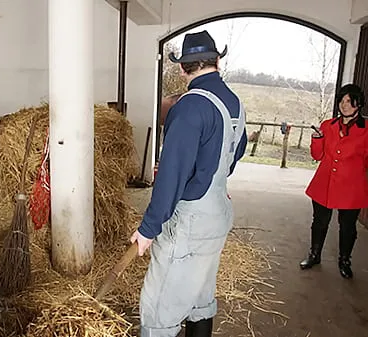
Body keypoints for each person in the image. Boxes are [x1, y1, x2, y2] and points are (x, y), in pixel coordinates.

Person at [129, 31, 248, 337]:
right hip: (218, 212)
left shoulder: (188, 106)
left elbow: (172, 174)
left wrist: (149, 228)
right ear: (217, 61)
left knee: (158, 310)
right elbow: (233, 154)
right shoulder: (234, 103)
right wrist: (211, 176)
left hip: (190, 223)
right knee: (200, 297)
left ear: (182, 68)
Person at [300, 84, 368, 279]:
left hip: (351, 187)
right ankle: (314, 255)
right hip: (325, 183)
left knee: (347, 227)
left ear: (359, 103)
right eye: (342, 101)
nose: (344, 105)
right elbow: (318, 155)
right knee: (319, 222)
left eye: (349, 101)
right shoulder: (327, 125)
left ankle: (344, 260)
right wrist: (316, 139)